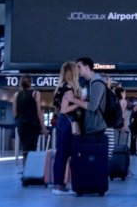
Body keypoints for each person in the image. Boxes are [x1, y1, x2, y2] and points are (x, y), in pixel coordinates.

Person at [52, 61, 84, 195]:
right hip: (68, 122)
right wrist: (79, 103)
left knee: (61, 154)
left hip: (61, 122)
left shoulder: (59, 87)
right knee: (67, 154)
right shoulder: (69, 89)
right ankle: (60, 186)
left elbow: (59, 108)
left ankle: (58, 184)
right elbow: (65, 109)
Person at [12, 74, 48, 166]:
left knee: (25, 149)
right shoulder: (35, 93)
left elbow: (14, 114)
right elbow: (38, 112)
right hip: (33, 125)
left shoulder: (16, 95)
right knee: (32, 149)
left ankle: (26, 172)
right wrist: (43, 127)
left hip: (22, 126)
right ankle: (30, 172)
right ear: (31, 82)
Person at [75, 57, 108, 139]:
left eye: (79, 67)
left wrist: (72, 99)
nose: (77, 69)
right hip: (88, 127)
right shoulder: (87, 83)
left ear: (86, 67)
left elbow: (92, 106)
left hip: (95, 129)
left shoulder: (97, 83)